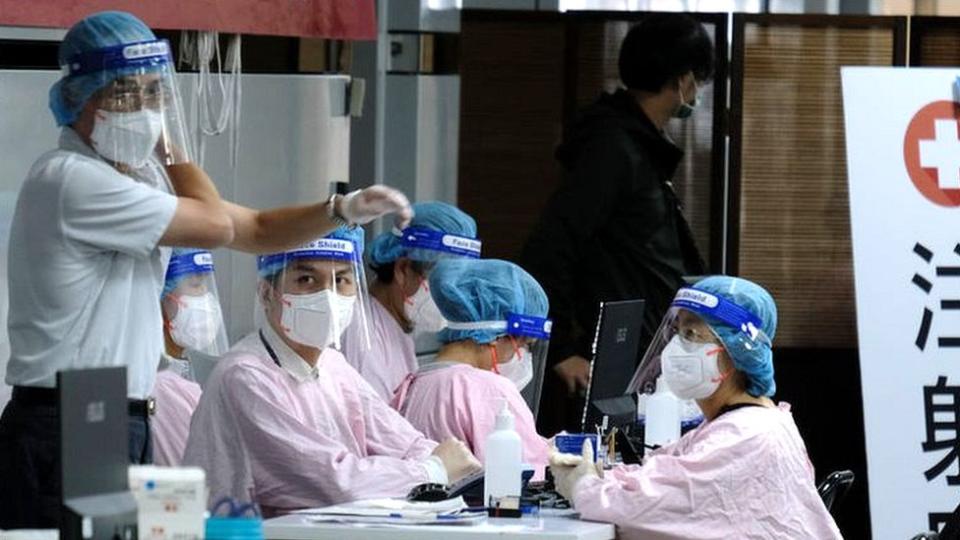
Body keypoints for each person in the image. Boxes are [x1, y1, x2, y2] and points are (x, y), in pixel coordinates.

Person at [0, 11, 412, 529]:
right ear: (81, 98)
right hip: (73, 413)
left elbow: (257, 229)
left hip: (111, 411)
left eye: (154, 95)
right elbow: (218, 225)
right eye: (126, 95)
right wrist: (173, 145)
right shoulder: (72, 179)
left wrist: (338, 210)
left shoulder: (135, 178)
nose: (144, 112)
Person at [182, 228, 481, 516]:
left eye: (342, 280)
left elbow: (403, 441)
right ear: (266, 292)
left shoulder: (332, 365)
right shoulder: (246, 375)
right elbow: (335, 482)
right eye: (306, 279)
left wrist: (439, 460)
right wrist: (433, 470)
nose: (328, 295)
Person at [520, 13, 712, 434]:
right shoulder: (613, 149)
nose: (698, 90)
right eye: (698, 78)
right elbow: (552, 247)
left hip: (642, 351)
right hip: (611, 353)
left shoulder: (638, 146)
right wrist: (563, 350)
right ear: (682, 80)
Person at [549, 276, 842, 540]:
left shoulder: (745, 436)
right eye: (677, 333)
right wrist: (601, 474)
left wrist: (584, 486)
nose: (675, 347)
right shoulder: (739, 424)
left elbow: (645, 507)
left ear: (736, 352)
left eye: (691, 335)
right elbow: (660, 475)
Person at [392, 258, 551, 480]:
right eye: (523, 345)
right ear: (497, 338)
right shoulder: (490, 389)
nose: (521, 357)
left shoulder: (413, 384)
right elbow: (529, 477)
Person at [342, 201, 481, 401]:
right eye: (442, 282)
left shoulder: (395, 329)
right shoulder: (361, 330)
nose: (451, 296)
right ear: (403, 269)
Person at [152, 248, 228, 467]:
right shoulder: (161, 388)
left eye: (206, 284)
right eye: (195, 285)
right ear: (160, 296)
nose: (206, 299)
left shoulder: (181, 378)